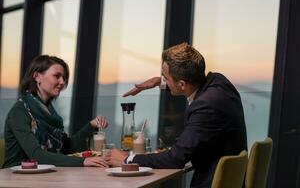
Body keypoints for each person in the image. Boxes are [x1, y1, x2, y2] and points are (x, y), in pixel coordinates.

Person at [105, 43, 247, 187]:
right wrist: (159, 82)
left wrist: (129, 158)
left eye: (165, 77)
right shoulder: (219, 82)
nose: (163, 79)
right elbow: (184, 83)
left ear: (182, 84)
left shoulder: (205, 107)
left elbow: (175, 159)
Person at [2, 55, 109, 168]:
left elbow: (68, 147)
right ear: (37, 76)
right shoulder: (20, 111)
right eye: (56, 76)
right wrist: (82, 161)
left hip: (43, 175)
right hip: (16, 177)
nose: (62, 82)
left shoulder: (49, 113)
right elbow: (37, 156)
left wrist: (91, 125)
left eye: (64, 77)